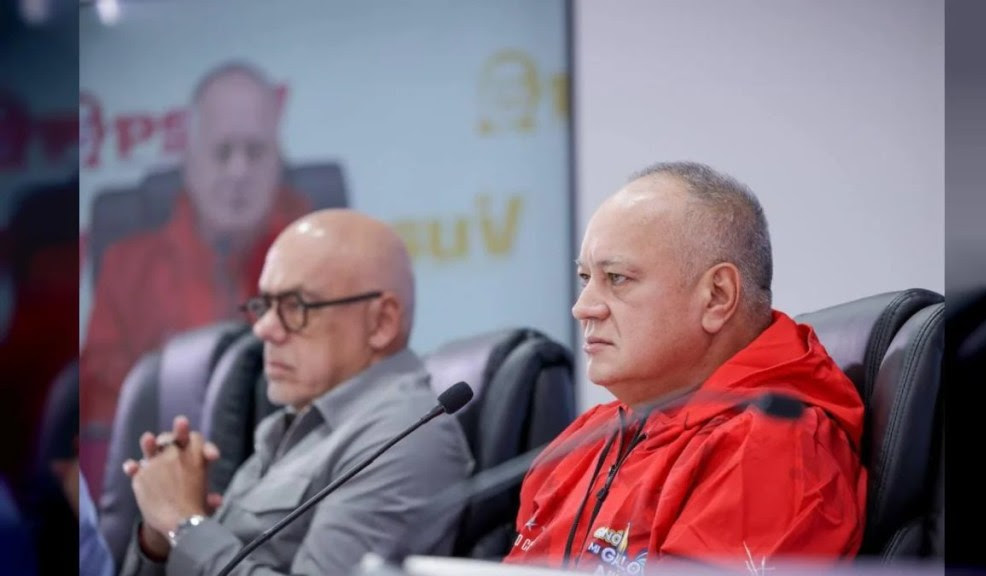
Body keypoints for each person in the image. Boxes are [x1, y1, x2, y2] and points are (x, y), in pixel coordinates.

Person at [504, 161, 867, 574]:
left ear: (716, 296)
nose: (582, 307)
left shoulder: (773, 451)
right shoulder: (584, 441)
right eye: (586, 278)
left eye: (617, 278)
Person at [118, 209, 474, 575]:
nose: (264, 330)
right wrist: (160, 536)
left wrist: (185, 524)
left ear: (381, 322)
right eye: (265, 306)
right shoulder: (290, 426)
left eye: (295, 307)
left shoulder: (403, 439)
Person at [79, 61, 311, 495]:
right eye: (222, 151)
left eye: (255, 151)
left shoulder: (314, 257)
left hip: (289, 477)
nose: (238, 171)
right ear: (190, 161)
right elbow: (103, 419)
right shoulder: (127, 268)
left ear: (277, 162)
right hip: (165, 477)